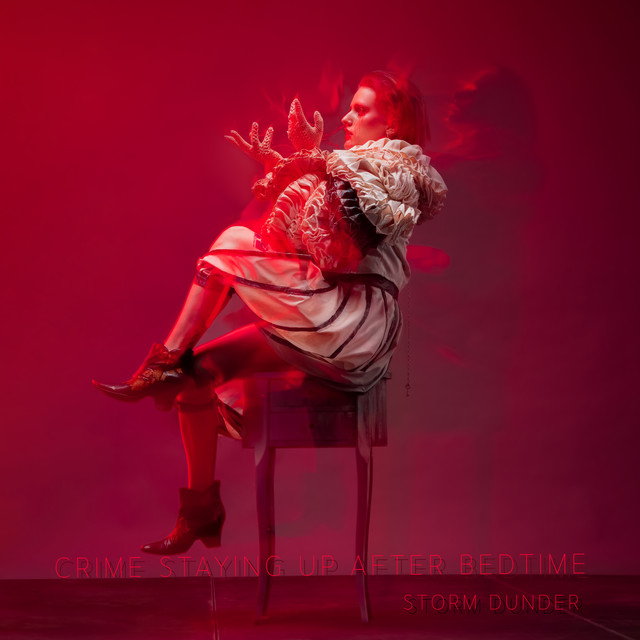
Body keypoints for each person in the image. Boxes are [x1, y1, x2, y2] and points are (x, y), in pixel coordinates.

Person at [93, 71, 447, 555]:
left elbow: (339, 251)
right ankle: (201, 511)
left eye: (361, 110)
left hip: (355, 320)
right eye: (351, 107)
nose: (347, 117)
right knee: (197, 376)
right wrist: (293, 166)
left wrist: (307, 163)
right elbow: (295, 239)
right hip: (325, 313)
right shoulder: (346, 168)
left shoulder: (398, 169)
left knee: (233, 242)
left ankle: (162, 363)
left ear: (394, 123)